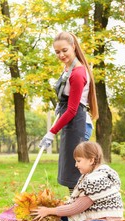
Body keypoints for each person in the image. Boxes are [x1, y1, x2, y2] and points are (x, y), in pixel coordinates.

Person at [31, 141, 124, 221]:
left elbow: (76, 208)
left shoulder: (95, 180)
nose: (76, 165)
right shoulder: (95, 174)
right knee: (61, 218)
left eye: (78, 161)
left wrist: (48, 211)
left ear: (91, 160)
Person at [39, 31, 99, 194]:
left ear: (73, 47)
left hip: (78, 124)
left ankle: (80, 214)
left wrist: (51, 133)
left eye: (64, 50)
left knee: (76, 176)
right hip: (70, 123)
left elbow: (72, 109)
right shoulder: (68, 69)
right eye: (57, 52)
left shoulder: (78, 73)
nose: (61, 55)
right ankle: (74, 213)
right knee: (71, 175)